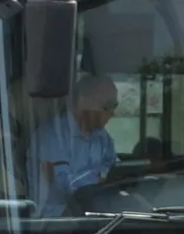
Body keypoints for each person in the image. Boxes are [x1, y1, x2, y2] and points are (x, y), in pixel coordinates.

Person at [32, 74, 120, 215]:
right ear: (83, 101)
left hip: (94, 215)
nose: (112, 113)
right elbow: (65, 186)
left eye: (115, 106)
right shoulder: (52, 136)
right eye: (107, 106)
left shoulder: (103, 138)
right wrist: (102, 183)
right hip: (57, 223)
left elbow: (116, 170)